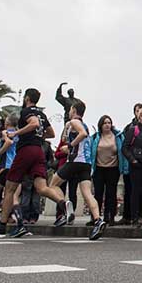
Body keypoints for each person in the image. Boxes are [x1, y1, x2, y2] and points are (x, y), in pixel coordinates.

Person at [0, 89, 69, 238]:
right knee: (42, 187)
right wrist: (38, 135)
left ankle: (2, 225)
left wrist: (17, 133)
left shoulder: (26, 112)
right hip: (39, 150)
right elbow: (51, 133)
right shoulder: (42, 114)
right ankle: (62, 203)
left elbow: (34, 123)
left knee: (10, 189)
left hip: (26, 150)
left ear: (26, 98)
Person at [48, 101, 107, 239]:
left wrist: (69, 145)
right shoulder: (79, 123)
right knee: (87, 194)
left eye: (70, 110)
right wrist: (66, 129)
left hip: (75, 161)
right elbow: (68, 136)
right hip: (86, 164)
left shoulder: (75, 122)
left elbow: (83, 134)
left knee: (52, 184)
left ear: (73, 110)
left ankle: (65, 206)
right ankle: (98, 220)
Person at [91, 115, 125, 225]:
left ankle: (110, 216)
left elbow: (122, 151)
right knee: (98, 194)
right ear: (101, 125)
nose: (107, 125)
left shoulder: (118, 136)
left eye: (109, 123)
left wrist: (123, 167)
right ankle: (95, 217)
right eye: (105, 123)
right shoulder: (96, 137)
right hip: (99, 168)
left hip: (113, 168)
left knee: (111, 194)